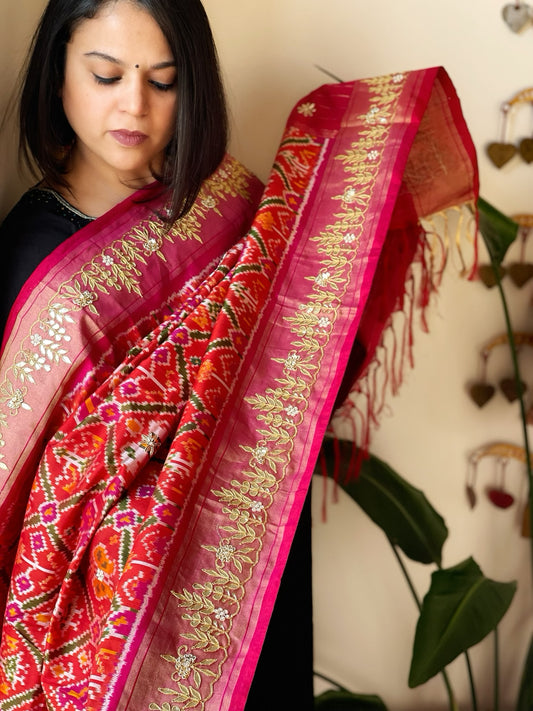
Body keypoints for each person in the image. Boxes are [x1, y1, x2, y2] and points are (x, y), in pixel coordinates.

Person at [0, 1, 479, 709]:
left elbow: (301, 372)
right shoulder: (33, 259)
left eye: (162, 81)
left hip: (248, 566)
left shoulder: (227, 203)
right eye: (105, 75)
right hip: (115, 609)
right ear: (57, 76)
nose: (134, 104)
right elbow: (26, 477)